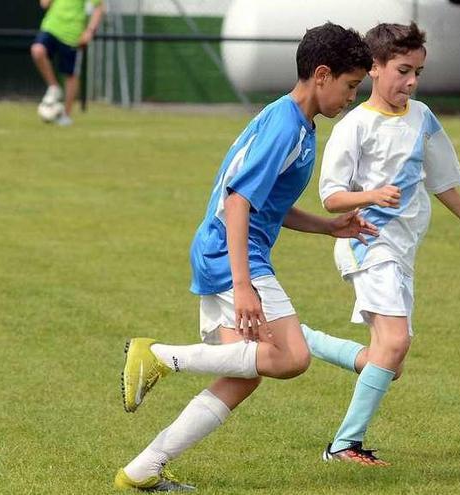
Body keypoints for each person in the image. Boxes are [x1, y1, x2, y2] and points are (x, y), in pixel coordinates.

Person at [113, 23, 375, 491]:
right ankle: (158, 356)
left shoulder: (299, 123)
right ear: (321, 74)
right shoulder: (285, 125)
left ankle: (143, 469)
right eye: (351, 85)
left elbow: (268, 204)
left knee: (243, 375)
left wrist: (328, 226)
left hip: (222, 250)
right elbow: (238, 202)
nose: (352, 97)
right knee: (292, 356)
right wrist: (243, 284)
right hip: (231, 254)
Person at [300, 22, 460, 466]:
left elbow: (442, 180)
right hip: (367, 243)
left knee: (389, 362)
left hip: (402, 250)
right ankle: (344, 446)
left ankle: (298, 338)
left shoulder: (422, 117)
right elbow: (331, 196)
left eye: (418, 73)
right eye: (403, 70)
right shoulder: (354, 126)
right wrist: (370, 195)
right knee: (392, 346)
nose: (411, 82)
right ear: (374, 68)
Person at [30, 0, 104, 126]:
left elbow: (99, 7)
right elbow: (44, 4)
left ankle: (65, 115)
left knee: (70, 74)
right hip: (51, 27)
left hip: (73, 34)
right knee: (37, 50)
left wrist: (89, 31)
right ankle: (54, 87)